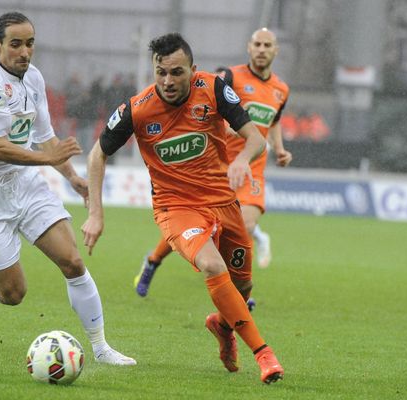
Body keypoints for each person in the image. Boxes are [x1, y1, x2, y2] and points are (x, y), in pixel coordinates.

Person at [81, 32, 283, 384]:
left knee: (243, 286)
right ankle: (264, 355)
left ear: (193, 69)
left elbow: (256, 138)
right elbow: (97, 154)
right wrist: (96, 214)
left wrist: (242, 161)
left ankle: (222, 325)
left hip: (223, 201)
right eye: (161, 72)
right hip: (176, 208)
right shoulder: (138, 108)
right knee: (211, 264)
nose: (168, 81)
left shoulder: (215, 89)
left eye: (176, 72)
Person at [0, 11, 135, 366]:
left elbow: (44, 137)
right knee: (13, 293)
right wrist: (48, 162)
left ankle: (100, 348)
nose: (24, 52)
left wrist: (73, 178)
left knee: (73, 261)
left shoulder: (33, 78)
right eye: (15, 44)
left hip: (25, 185)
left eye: (30, 43)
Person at [135, 28, 292, 297]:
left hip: (251, 166)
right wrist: (225, 127)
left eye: (268, 45)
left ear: (275, 50)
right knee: (194, 226)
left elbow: (273, 120)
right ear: (249, 47)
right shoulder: (231, 77)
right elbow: (205, 103)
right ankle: (153, 261)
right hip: (217, 166)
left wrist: (279, 148)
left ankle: (237, 289)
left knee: (246, 226)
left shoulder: (281, 89)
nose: (262, 49)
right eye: (257, 44)